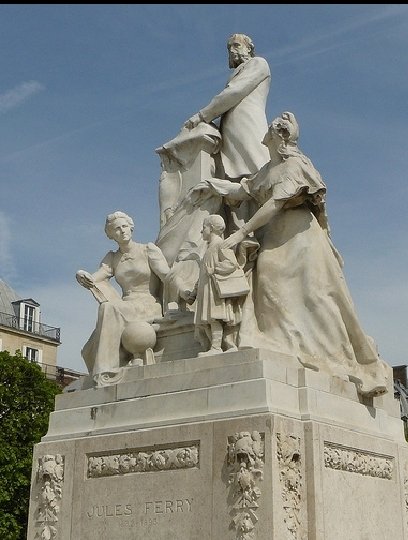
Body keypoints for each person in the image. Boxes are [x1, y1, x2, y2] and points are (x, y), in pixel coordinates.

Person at [194, 112, 392, 397]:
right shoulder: (268, 169)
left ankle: (340, 357)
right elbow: (243, 190)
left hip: (300, 236)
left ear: (278, 136)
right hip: (276, 235)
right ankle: (288, 345)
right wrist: (212, 184)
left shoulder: (295, 165)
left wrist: (240, 233)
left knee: (315, 295)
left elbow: (275, 203)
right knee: (269, 285)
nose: (266, 134)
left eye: (272, 131)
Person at [76, 211, 170, 385]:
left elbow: (167, 276)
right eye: (117, 229)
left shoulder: (148, 249)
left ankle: (107, 369)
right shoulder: (112, 257)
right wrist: (84, 278)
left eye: (124, 226)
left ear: (131, 227)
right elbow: (98, 276)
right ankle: (106, 368)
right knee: (108, 309)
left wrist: (184, 291)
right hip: (126, 305)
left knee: (109, 308)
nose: (122, 231)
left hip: (148, 304)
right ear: (111, 235)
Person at [183, 33, 271, 180]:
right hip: (231, 130)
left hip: (247, 124)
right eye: (229, 47)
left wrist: (202, 115)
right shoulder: (240, 70)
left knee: (257, 166)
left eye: (237, 45)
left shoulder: (258, 63)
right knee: (234, 176)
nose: (231, 50)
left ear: (249, 49)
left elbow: (234, 92)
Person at [184, 214, 246, 355]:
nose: (201, 231)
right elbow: (203, 274)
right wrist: (193, 294)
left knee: (214, 318)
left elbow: (231, 263)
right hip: (206, 290)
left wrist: (216, 269)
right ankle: (220, 346)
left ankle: (217, 347)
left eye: (204, 227)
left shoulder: (220, 244)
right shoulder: (209, 248)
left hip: (215, 290)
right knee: (208, 320)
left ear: (211, 228)